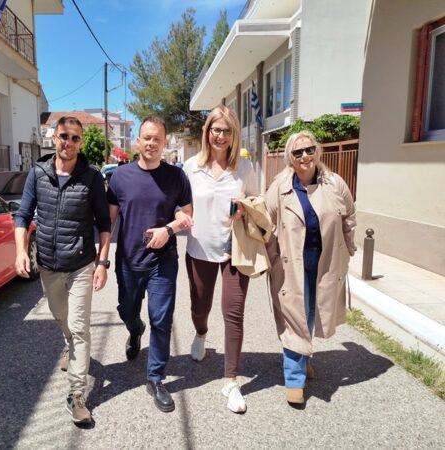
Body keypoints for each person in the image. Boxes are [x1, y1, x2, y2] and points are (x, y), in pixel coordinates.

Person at [14, 116, 111, 424]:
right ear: (54, 138)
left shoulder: (92, 177)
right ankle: (70, 345)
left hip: (81, 263)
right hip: (48, 264)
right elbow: (23, 215)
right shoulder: (38, 173)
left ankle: (76, 395)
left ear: (80, 143)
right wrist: (20, 251)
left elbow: (104, 224)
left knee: (80, 327)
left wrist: (102, 263)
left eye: (75, 138)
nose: (69, 142)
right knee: (62, 318)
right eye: (64, 136)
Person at [107, 116, 193, 413]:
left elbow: (187, 214)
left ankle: (155, 378)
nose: (151, 143)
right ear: (138, 141)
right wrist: (101, 259)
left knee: (162, 319)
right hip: (129, 261)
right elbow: (109, 221)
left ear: (164, 142)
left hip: (163, 262)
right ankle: (135, 329)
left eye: (157, 138)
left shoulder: (176, 176)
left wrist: (167, 230)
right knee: (127, 310)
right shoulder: (119, 177)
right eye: (147, 137)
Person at [265, 130, 356, 406]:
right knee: (295, 316)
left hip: (325, 261)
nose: (304, 156)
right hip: (290, 263)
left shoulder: (334, 183)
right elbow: (266, 223)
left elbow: (349, 217)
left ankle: (303, 360)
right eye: (297, 152)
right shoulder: (279, 186)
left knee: (312, 313)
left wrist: (348, 249)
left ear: (317, 152)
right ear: (289, 157)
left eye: (309, 150)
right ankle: (294, 379)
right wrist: (270, 257)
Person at [181, 105, 258, 414]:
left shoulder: (244, 168)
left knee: (234, 313)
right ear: (207, 132)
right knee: (200, 307)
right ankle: (201, 333)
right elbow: (180, 204)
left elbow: (256, 201)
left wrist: (245, 208)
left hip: (234, 250)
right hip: (199, 249)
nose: (221, 136)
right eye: (216, 129)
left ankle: (230, 381)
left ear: (234, 134)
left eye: (227, 130)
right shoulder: (191, 167)